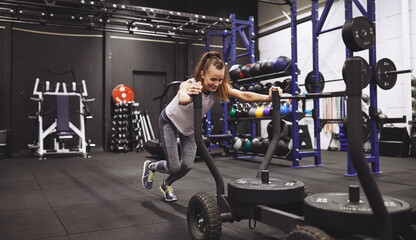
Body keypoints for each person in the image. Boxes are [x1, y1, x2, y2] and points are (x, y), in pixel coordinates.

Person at [142, 51, 282, 202]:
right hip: (169, 120)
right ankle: (151, 166)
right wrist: (190, 95)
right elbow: (182, 98)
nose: (216, 83)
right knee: (174, 166)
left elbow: (244, 95)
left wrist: (268, 97)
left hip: (188, 127)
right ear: (202, 74)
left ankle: (166, 184)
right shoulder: (189, 84)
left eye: (220, 79)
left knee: (187, 165)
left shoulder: (220, 88)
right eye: (213, 79)